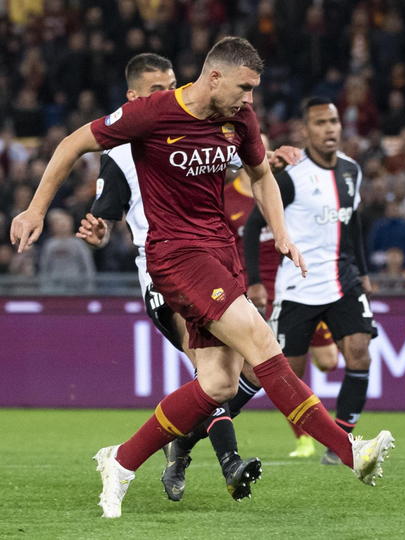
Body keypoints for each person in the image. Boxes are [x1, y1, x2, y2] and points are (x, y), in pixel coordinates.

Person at [10, 37, 394, 520]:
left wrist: (281, 234)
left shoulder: (239, 118)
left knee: (218, 383)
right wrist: (35, 210)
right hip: (176, 256)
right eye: (244, 88)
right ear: (214, 77)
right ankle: (349, 450)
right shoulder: (152, 114)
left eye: (253, 90)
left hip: (221, 251)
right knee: (262, 342)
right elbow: (72, 144)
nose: (250, 99)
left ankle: (121, 461)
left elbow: (261, 175)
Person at [74, 52, 275, 503]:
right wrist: (98, 233)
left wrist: (273, 159)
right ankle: (230, 461)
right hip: (164, 271)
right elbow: (104, 219)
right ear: (133, 98)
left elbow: (247, 169)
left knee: (249, 373)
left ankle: (181, 444)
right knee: (212, 368)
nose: (167, 95)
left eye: (171, 86)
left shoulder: (201, 126)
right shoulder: (122, 153)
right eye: (155, 90)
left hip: (212, 262)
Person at [244, 97, 377, 466]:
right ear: (306, 131)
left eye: (333, 121)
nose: (329, 129)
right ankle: (210, 419)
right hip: (298, 286)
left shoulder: (351, 170)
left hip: (343, 280)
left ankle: (341, 439)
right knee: (282, 373)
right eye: (320, 123)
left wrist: (364, 272)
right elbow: (254, 226)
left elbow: (353, 222)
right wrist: (255, 281)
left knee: (359, 351)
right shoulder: (291, 176)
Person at [222, 157, 341, 460]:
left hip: (295, 285)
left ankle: (207, 420)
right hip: (254, 291)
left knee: (329, 360)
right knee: (276, 366)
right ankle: (303, 439)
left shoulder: (281, 189)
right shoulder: (227, 197)